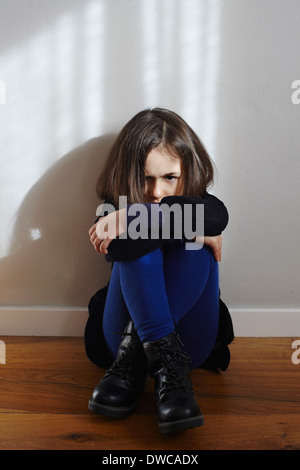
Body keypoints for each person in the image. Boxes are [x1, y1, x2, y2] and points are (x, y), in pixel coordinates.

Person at [85, 108, 234, 434]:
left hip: (191, 339)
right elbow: (120, 248)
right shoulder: (113, 206)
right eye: (145, 178)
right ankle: (166, 370)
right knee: (142, 245)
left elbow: (217, 217)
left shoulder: (199, 202)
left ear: (187, 171)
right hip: (117, 336)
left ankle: (145, 358)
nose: (155, 192)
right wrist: (175, 223)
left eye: (169, 177)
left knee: (194, 248)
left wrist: (133, 216)